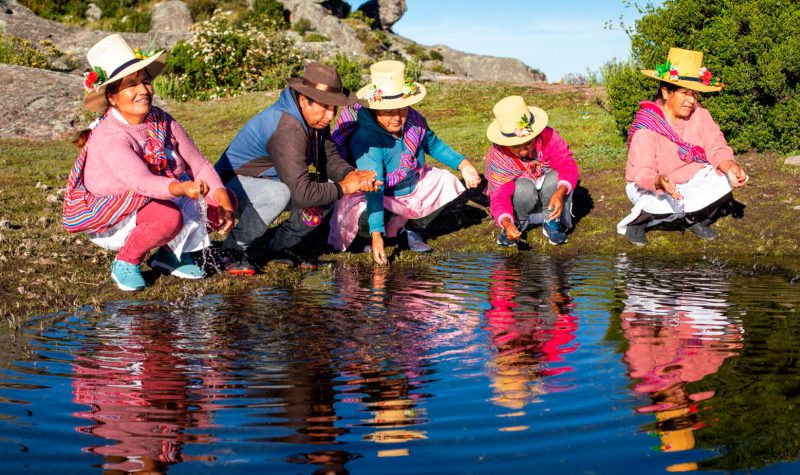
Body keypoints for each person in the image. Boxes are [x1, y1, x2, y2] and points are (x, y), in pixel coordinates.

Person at [62, 34, 236, 291]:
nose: (143, 90)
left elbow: (197, 164)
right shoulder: (109, 136)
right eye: (132, 85)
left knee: (224, 200)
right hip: (118, 208)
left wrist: (221, 197)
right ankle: (126, 261)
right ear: (112, 97)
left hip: (161, 193)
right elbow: (141, 183)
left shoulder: (161, 119)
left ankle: (170, 255)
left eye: (145, 81)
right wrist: (182, 188)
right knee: (167, 218)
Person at [214, 62, 379, 273]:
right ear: (304, 100)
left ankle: (280, 246)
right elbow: (302, 194)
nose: (330, 116)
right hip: (229, 187)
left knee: (328, 186)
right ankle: (231, 250)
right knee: (279, 194)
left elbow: (327, 158)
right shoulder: (288, 127)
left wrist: (353, 176)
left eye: (334, 108)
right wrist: (346, 187)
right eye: (325, 107)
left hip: (269, 179)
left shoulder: (314, 119)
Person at [327, 60, 481, 265]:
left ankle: (411, 229)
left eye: (402, 109)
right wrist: (376, 235)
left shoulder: (414, 121)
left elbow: (433, 144)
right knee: (364, 217)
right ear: (374, 110)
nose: (397, 118)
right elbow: (375, 187)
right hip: (376, 194)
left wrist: (464, 164)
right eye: (389, 111)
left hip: (408, 186)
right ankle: (369, 237)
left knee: (446, 182)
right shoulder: (367, 140)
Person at [617, 47, 748, 246]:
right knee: (657, 203)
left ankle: (692, 219)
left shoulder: (700, 115)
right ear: (666, 92)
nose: (691, 100)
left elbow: (715, 145)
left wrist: (730, 166)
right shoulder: (648, 125)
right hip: (651, 185)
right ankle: (638, 222)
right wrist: (659, 180)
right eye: (685, 93)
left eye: (694, 94)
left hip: (688, 180)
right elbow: (643, 171)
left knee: (724, 181)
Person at [484, 96, 579, 246]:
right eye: (516, 147)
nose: (523, 151)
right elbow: (499, 194)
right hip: (523, 195)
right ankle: (516, 222)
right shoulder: (498, 156)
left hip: (549, 188)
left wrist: (561, 191)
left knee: (555, 178)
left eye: (528, 143)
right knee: (522, 188)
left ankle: (551, 220)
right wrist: (506, 222)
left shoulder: (550, 137)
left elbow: (567, 165)